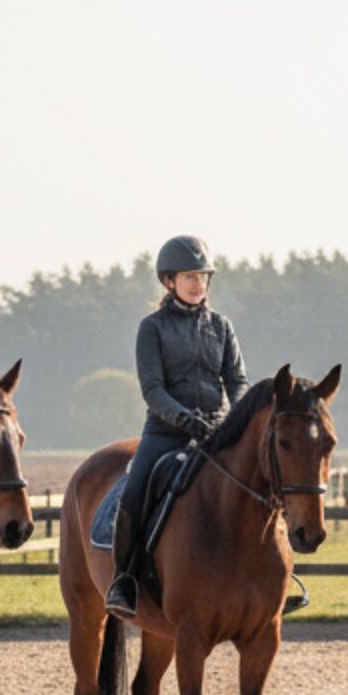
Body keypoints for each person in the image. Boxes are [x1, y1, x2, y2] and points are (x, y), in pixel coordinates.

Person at [104, 235, 250, 618]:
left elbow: (236, 381)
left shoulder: (221, 326)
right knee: (135, 491)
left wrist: (237, 419)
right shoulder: (151, 328)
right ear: (169, 281)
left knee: (261, 483)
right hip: (166, 431)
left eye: (203, 276)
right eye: (190, 276)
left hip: (217, 432)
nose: (198, 283)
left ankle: (275, 578)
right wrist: (184, 418)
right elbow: (153, 389)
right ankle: (125, 579)